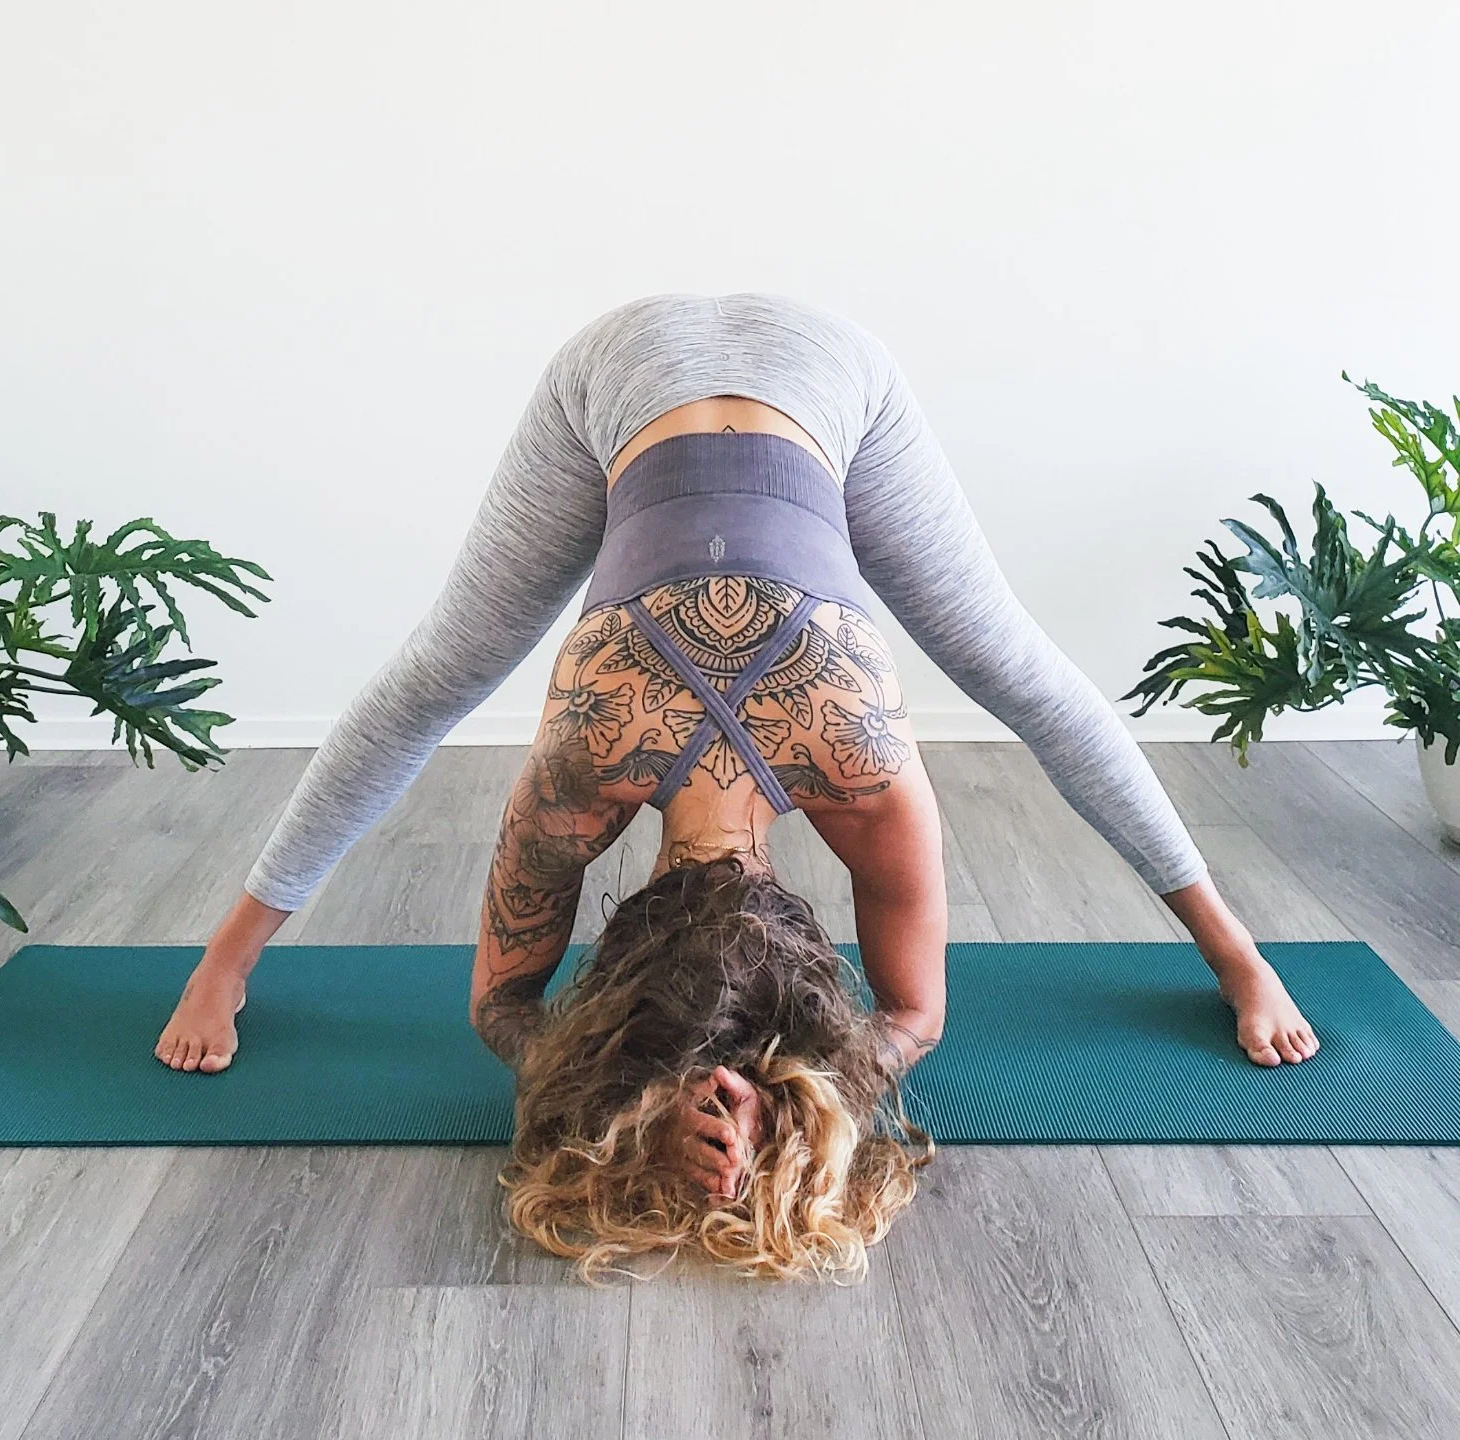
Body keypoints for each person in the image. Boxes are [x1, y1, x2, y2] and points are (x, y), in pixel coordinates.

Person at [154, 292, 1320, 1277]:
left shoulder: (649, 766)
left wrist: (725, 1101)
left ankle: (233, 955)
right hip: (629, 386)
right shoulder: (735, 767)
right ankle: (1230, 946)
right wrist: (665, 1092)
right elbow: (508, 1016)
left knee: (1015, 665)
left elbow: (899, 1018)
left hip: (814, 391)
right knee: (437, 672)